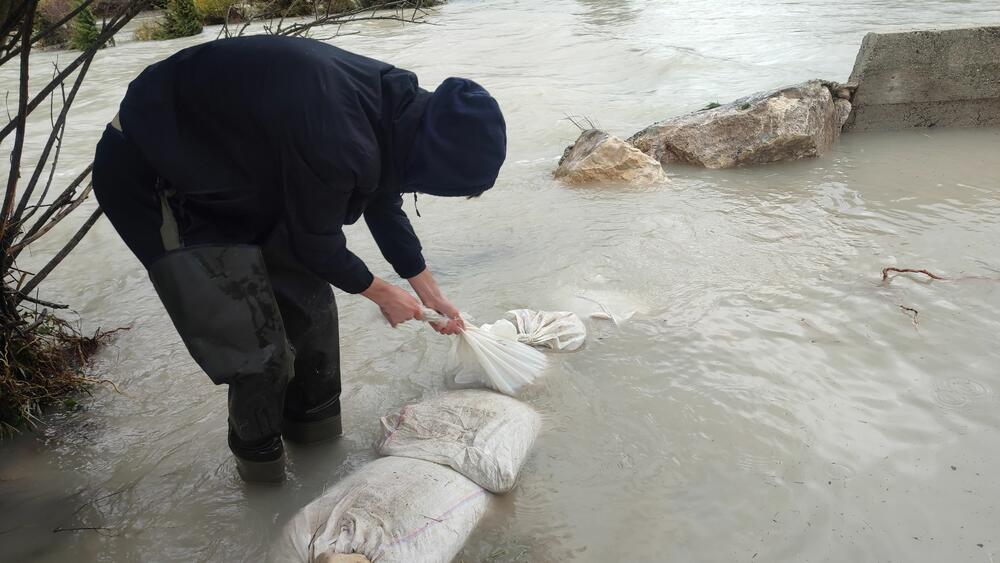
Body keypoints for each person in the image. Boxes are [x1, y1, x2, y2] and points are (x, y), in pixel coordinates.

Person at [92, 35, 507, 483]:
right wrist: (383, 294)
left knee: (312, 326)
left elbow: (382, 199)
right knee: (255, 351)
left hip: (252, 171)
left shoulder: (401, 113)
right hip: (159, 174)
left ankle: (319, 458)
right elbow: (317, 245)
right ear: (434, 159)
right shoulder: (337, 133)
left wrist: (430, 291)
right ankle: (263, 480)